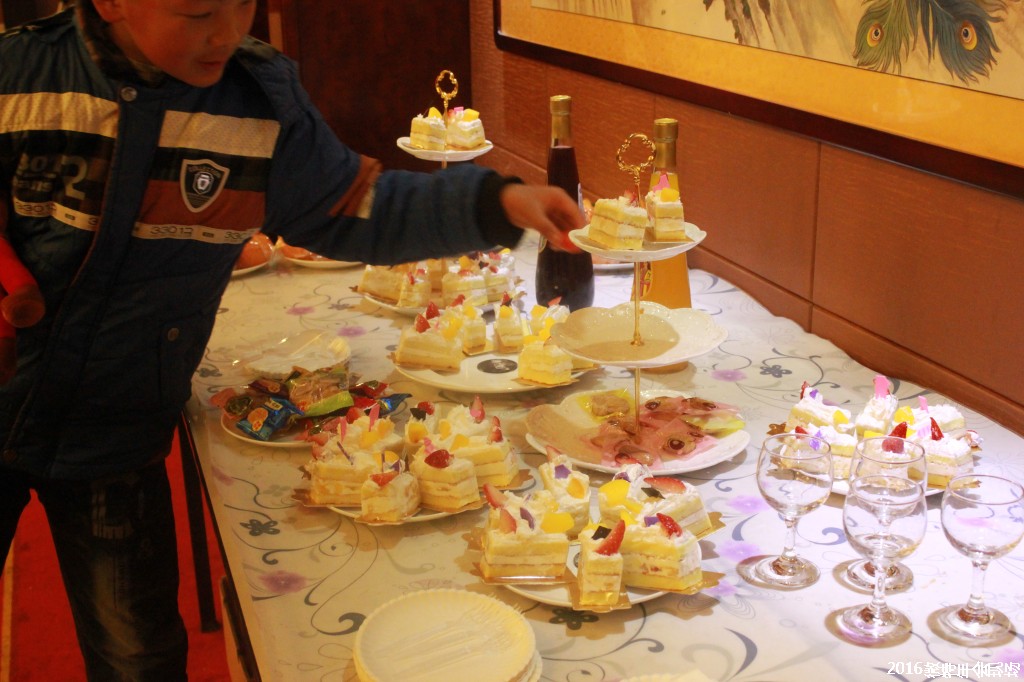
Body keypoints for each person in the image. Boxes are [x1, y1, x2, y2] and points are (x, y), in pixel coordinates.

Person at [0, 0, 585, 679]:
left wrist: (494, 204)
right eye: (197, 12)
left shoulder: (258, 102)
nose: (227, 32)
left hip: (116, 429)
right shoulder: (20, 76)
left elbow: (355, 207)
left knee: (138, 655)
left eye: (241, 2)